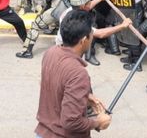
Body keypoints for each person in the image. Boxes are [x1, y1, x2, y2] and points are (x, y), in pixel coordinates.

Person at [35, 10, 112, 138]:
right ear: (83, 40)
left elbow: (53, 86)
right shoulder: (78, 73)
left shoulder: (51, 52)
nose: (92, 37)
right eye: (91, 34)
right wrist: (98, 122)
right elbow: (71, 121)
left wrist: (85, 96)